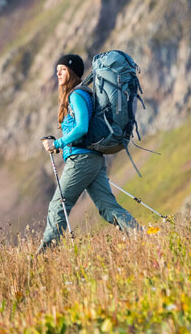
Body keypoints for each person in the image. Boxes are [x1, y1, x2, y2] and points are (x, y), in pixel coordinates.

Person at [38, 54, 138, 251]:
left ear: (73, 72)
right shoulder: (81, 94)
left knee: (59, 205)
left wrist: (58, 143)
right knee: (108, 207)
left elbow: (82, 127)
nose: (58, 72)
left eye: (63, 69)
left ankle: (46, 255)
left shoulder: (76, 95)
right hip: (92, 158)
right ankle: (139, 236)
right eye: (58, 68)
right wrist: (62, 145)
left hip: (82, 160)